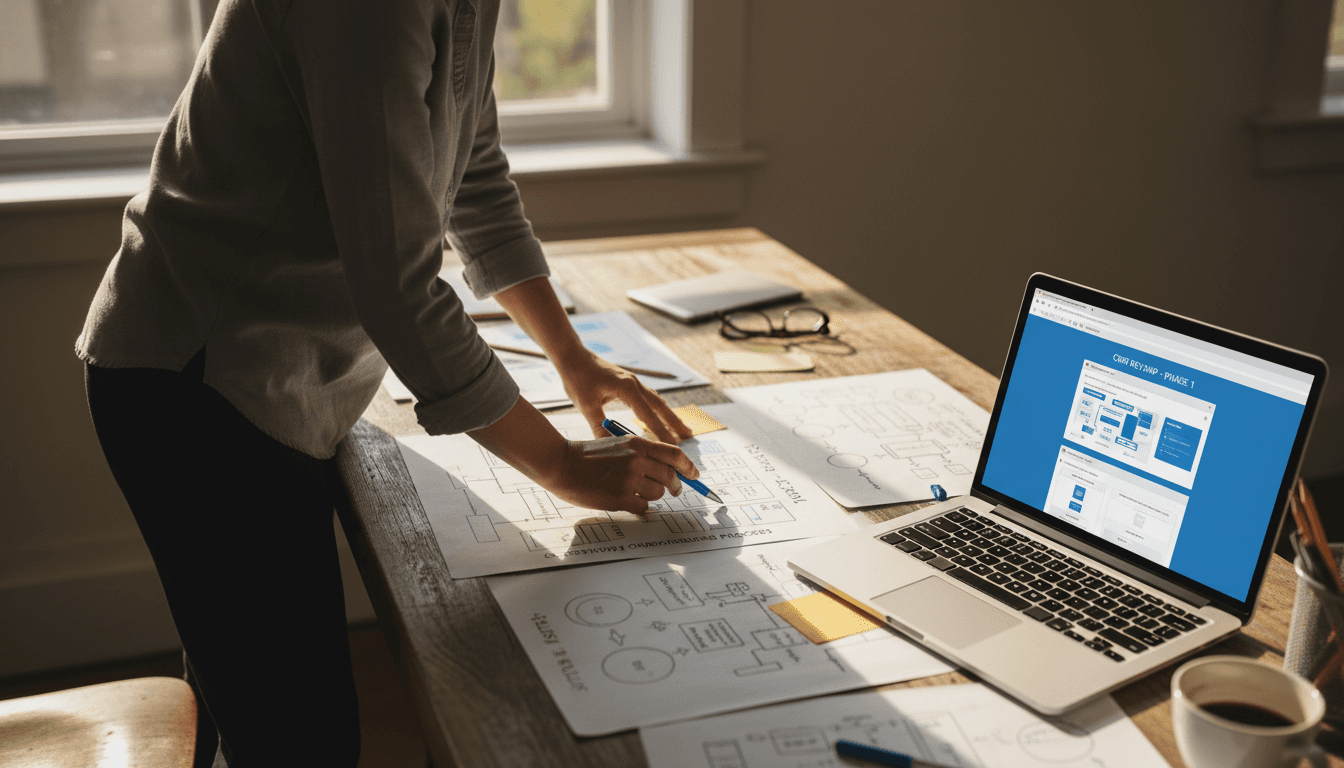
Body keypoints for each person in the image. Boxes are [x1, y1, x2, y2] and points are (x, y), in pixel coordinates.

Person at [76, 1, 696, 765]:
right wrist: (561, 464)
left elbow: (474, 179)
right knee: (299, 738)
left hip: (274, 377)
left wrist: (572, 356)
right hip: (204, 383)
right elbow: (400, 289)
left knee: (249, 695)